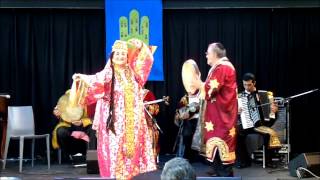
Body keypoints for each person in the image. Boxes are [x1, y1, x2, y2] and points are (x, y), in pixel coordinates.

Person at [72, 38, 156, 179]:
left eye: (123, 54)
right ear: (112, 56)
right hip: (114, 120)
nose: (120, 56)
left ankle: (127, 176)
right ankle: (116, 176)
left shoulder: (133, 73)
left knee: (130, 150)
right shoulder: (109, 73)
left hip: (132, 120)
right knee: (116, 149)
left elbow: (146, 61)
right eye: (117, 54)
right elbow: (95, 80)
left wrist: (141, 45)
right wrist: (82, 78)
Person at [194, 42, 238, 177]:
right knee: (216, 138)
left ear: (214, 54)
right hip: (218, 112)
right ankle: (217, 168)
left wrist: (198, 84)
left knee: (221, 138)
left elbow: (211, 89)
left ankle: (224, 172)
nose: (206, 55)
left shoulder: (222, 68)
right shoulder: (220, 67)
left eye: (208, 52)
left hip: (222, 114)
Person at [236, 73, 281, 168]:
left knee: (269, 134)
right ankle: (244, 161)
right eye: (244, 84)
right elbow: (231, 112)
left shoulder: (265, 95)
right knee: (236, 134)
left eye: (249, 85)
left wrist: (274, 111)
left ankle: (269, 161)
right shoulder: (240, 97)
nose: (247, 87)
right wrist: (236, 111)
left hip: (261, 125)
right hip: (247, 124)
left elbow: (272, 115)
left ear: (254, 83)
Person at [52, 90, 96, 161]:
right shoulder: (66, 99)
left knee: (93, 129)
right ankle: (70, 155)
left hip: (85, 125)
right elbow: (60, 111)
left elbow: (95, 117)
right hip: (69, 125)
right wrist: (57, 113)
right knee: (61, 131)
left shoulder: (89, 98)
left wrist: (82, 121)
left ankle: (91, 159)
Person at [142, 88, 160, 164]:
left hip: (147, 123)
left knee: (151, 134)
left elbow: (156, 109)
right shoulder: (128, 93)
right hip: (133, 122)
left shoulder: (148, 93)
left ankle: (150, 160)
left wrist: (148, 106)